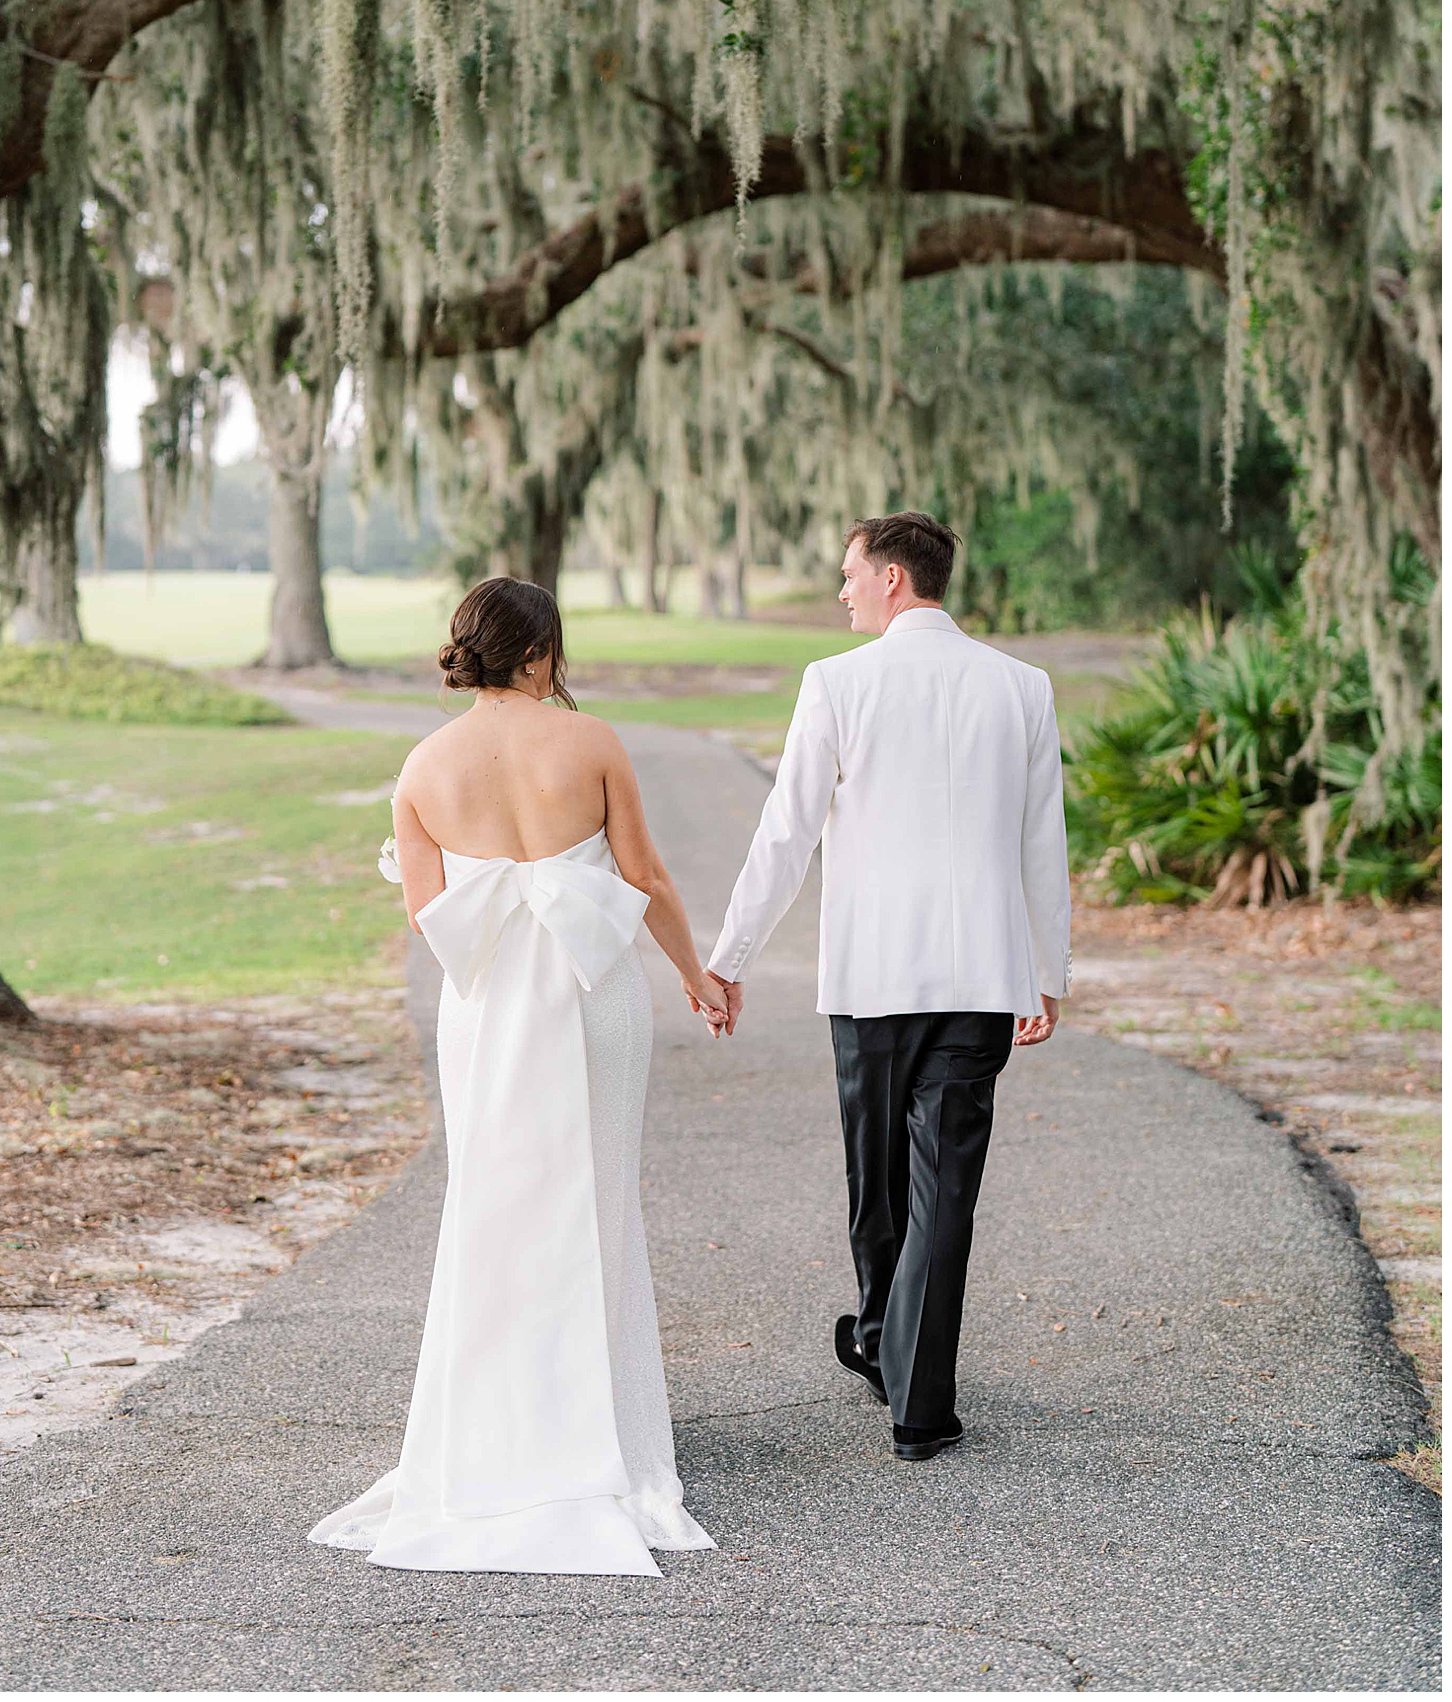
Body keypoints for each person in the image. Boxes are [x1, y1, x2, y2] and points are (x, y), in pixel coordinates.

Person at [309, 576, 722, 1577]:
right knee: (596, 1198)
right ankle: (605, 1436)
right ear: (540, 650)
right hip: (590, 993)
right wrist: (695, 973)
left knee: (495, 1202)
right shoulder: (590, 743)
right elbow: (648, 878)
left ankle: (498, 1427)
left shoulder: (422, 765)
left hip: (487, 1005)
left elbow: (425, 912)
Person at [705, 512, 1070, 1463]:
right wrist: (1045, 971)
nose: (842, 592)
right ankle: (899, 1370)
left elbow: (786, 833)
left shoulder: (837, 683)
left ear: (896, 580)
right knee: (943, 1186)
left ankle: (893, 1358)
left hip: (872, 977)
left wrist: (730, 954)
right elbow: (1044, 843)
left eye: (850, 575)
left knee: (876, 1180)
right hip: (983, 975)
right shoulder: (1021, 686)